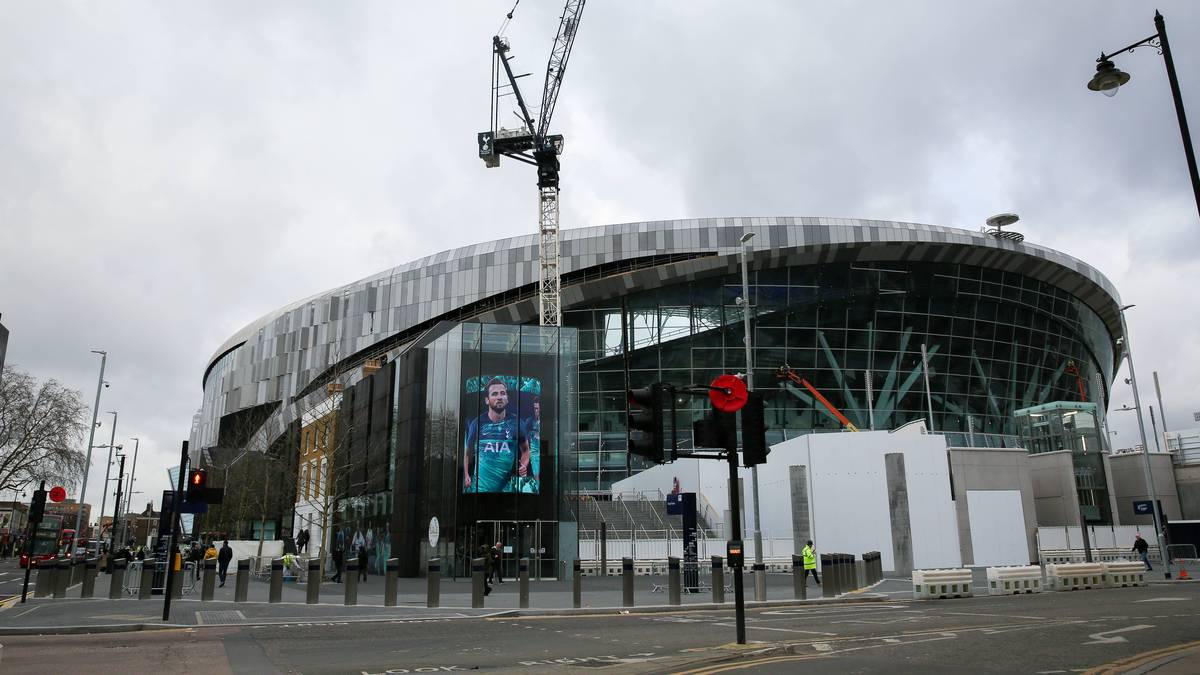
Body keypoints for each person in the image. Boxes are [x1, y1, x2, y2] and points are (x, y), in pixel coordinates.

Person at [463, 378, 528, 493]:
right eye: (495, 394)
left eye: (503, 393)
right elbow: (467, 453)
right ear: (487, 400)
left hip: (507, 490)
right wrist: (467, 475)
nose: (499, 397)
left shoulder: (517, 423)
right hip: (481, 491)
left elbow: (526, 451)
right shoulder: (477, 424)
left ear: (507, 399)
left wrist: (523, 465)